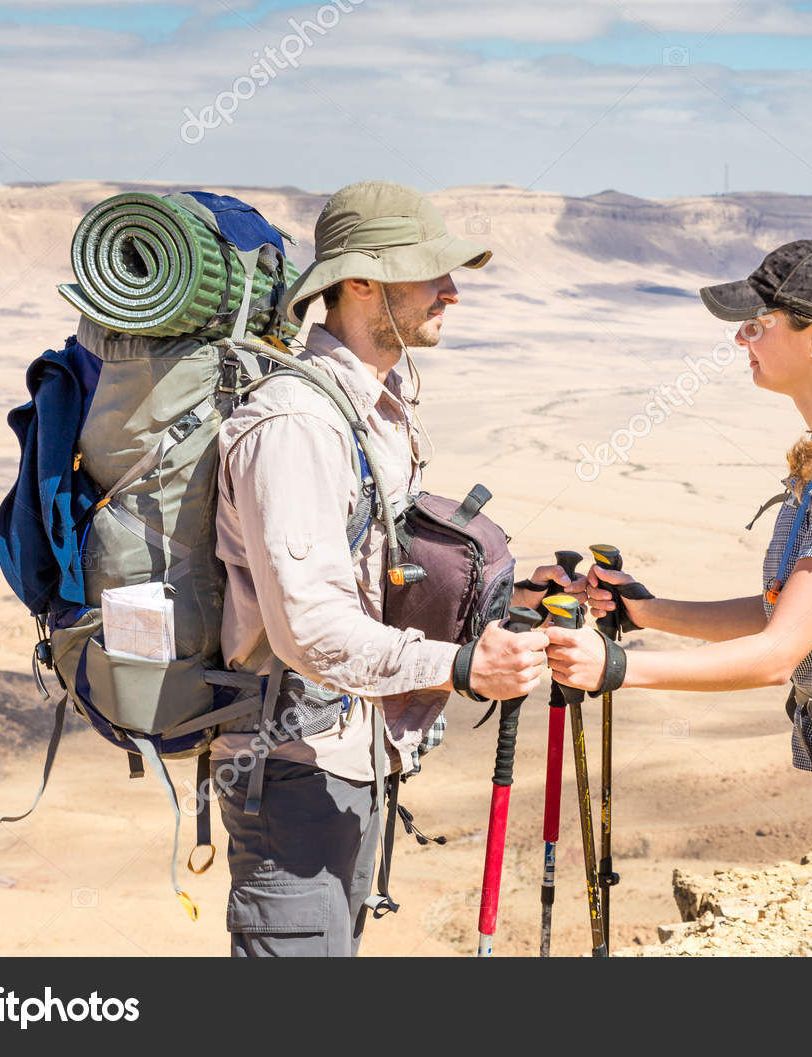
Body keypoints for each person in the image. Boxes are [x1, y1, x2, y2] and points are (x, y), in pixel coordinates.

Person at [544, 240, 812, 957]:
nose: (740, 339)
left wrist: (617, 668)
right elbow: (787, 613)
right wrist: (646, 612)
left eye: (757, 324)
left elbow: (779, 653)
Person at [212, 181, 572, 957]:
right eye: (430, 271)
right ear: (360, 283)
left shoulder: (373, 404)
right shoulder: (297, 424)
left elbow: (378, 569)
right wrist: (461, 666)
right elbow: (310, 630)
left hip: (352, 756)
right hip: (291, 773)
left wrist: (511, 597)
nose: (451, 291)